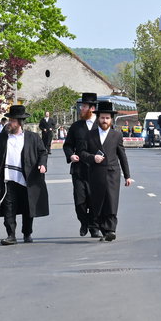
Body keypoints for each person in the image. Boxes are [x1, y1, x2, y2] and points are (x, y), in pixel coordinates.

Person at [0, 104, 49, 245]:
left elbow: (42, 152)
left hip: (27, 178)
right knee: (9, 207)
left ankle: (27, 233)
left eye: (13, 121)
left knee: (28, 207)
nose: (10, 123)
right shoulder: (2, 137)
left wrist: (42, 165)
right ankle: (11, 235)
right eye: (10, 120)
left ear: (20, 122)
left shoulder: (32, 137)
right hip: (8, 179)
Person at [82, 101, 133, 241]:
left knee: (111, 201)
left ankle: (111, 230)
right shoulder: (90, 135)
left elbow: (122, 156)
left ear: (111, 120)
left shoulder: (116, 135)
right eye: (102, 118)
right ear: (98, 118)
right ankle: (103, 229)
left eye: (107, 118)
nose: (105, 120)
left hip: (112, 173)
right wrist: (93, 158)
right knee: (99, 202)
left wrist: (127, 176)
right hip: (95, 174)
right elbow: (82, 153)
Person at [62, 91, 100, 237]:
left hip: (96, 170)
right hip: (79, 170)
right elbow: (67, 145)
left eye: (84, 106)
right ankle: (84, 222)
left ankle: (94, 226)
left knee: (95, 200)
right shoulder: (76, 126)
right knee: (80, 201)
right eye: (81, 106)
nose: (81, 109)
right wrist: (71, 155)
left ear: (92, 108)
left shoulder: (101, 125)